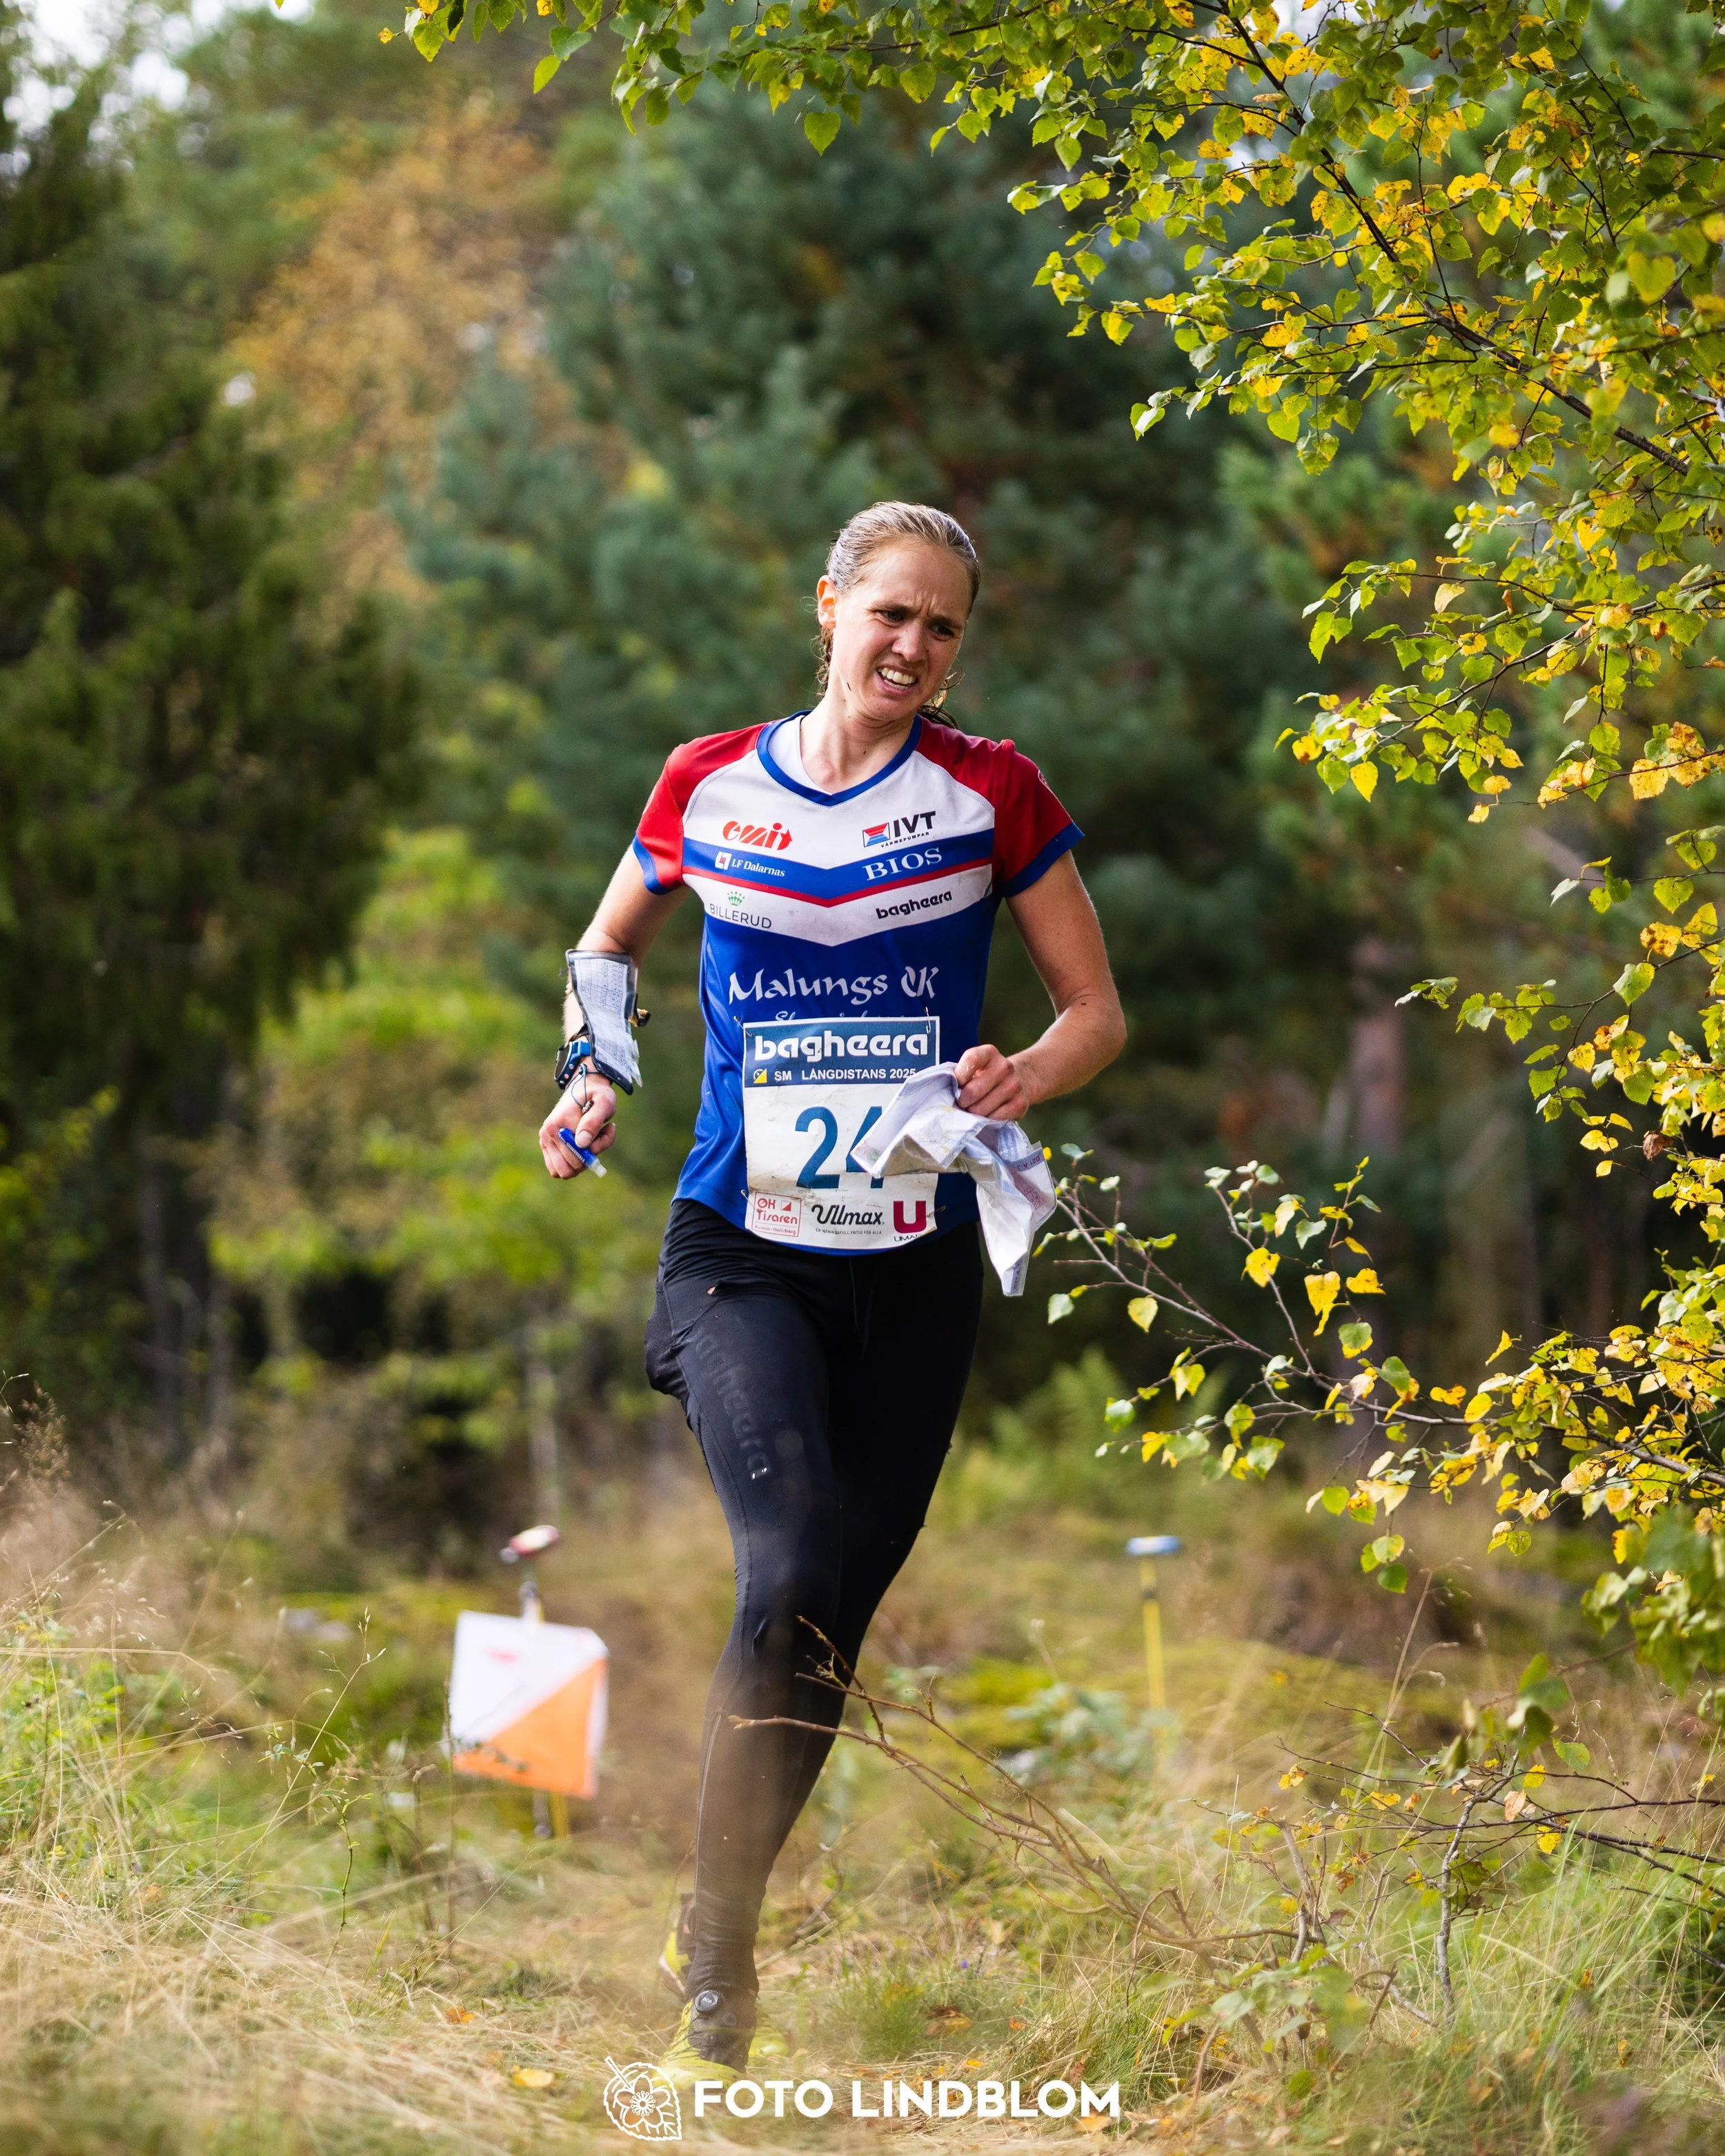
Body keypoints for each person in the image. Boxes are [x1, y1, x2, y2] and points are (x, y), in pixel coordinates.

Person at [536, 500, 1125, 2082]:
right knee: (783, 1557)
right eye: (888, 614)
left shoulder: (991, 793)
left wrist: (1022, 1075)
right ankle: (720, 1977)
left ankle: (708, 1913)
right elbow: (607, 948)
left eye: (941, 627)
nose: (911, 649)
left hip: (915, 1265)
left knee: (826, 1627)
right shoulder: (705, 781)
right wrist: (598, 1073)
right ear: (827, 607)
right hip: (740, 1250)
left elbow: (1093, 1012)